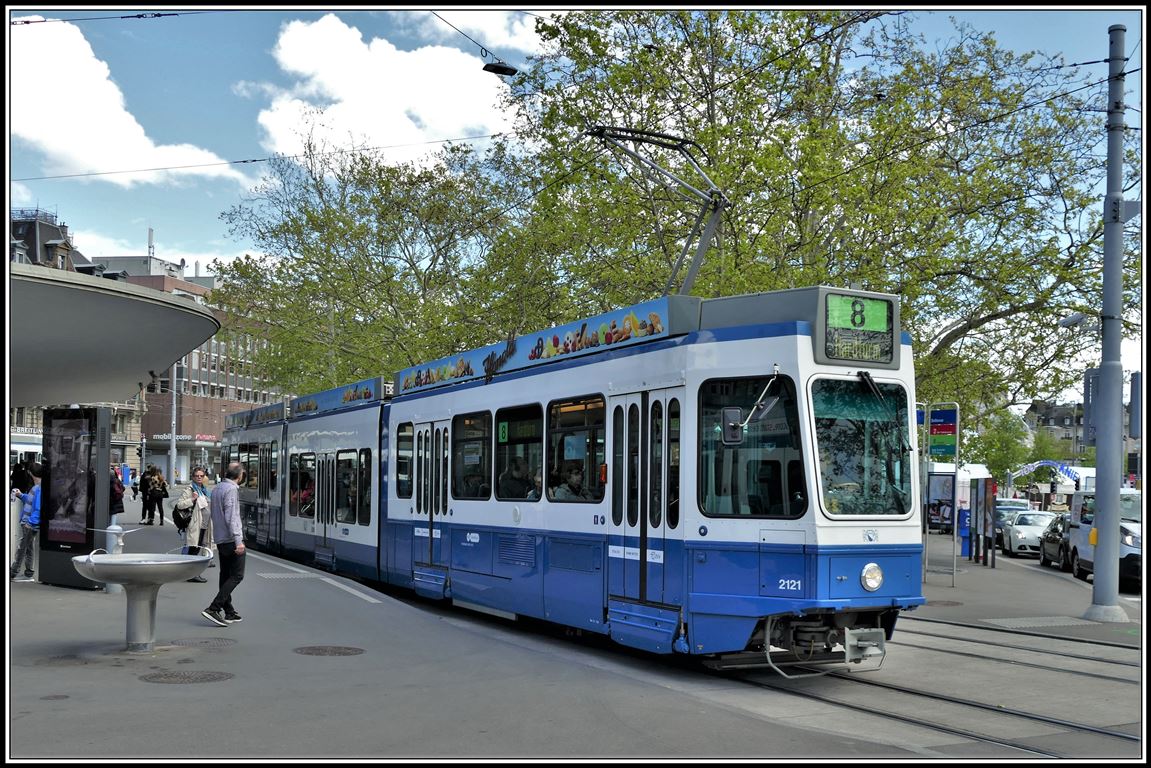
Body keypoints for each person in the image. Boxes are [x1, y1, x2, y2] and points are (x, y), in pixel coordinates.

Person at [202, 461, 246, 627]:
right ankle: (214, 608)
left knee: (225, 574)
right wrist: (238, 540)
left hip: (220, 538)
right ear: (240, 476)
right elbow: (232, 516)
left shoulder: (218, 488)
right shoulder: (232, 489)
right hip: (230, 539)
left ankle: (229, 611)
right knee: (237, 575)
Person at [176, 466, 214, 583]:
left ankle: (191, 573)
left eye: (201, 476)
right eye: (197, 476)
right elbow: (179, 505)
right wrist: (191, 500)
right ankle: (192, 574)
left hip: (204, 525)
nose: (199, 478)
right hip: (195, 524)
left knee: (198, 549)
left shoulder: (204, 489)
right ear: (193, 477)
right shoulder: (189, 490)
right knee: (194, 549)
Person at [10, 462, 42, 582]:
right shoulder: (36, 487)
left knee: (22, 548)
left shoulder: (38, 488)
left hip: (29, 523)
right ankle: (28, 573)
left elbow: (38, 508)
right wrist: (20, 495)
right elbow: (31, 501)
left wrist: (31, 522)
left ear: (30, 473)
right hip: (28, 522)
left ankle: (13, 572)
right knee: (28, 547)